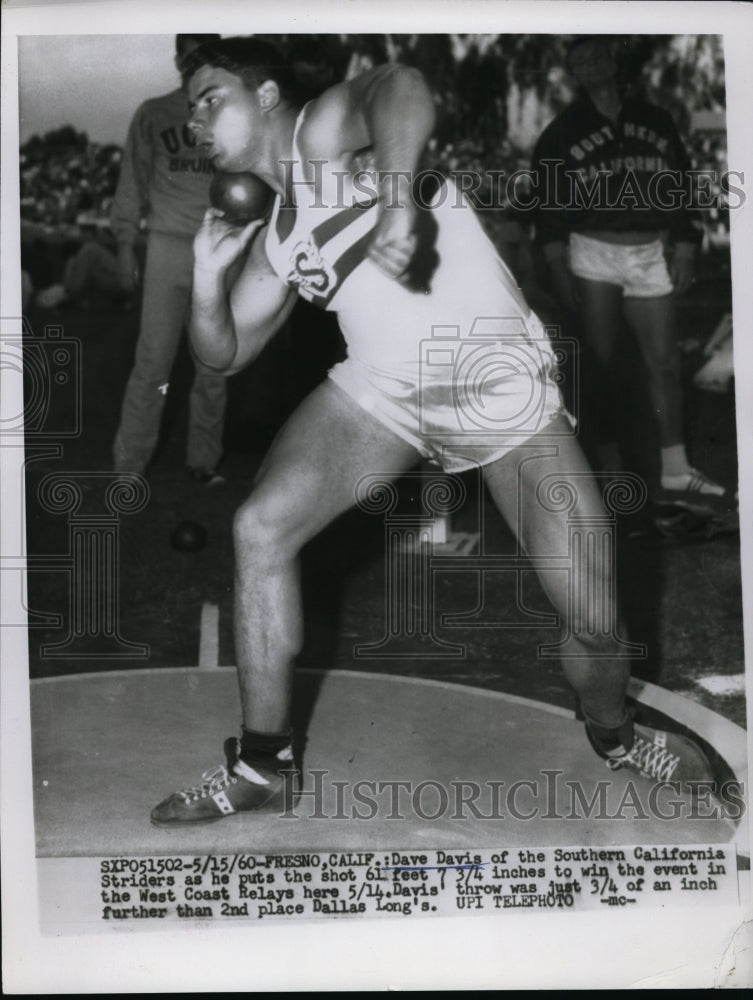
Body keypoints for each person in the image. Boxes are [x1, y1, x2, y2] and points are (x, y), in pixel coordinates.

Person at [151, 37, 714, 826]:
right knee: (259, 527)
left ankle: (614, 732)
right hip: (383, 393)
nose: (196, 119)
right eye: (190, 110)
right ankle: (261, 762)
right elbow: (225, 355)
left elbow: (401, 84)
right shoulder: (279, 234)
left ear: (268, 95)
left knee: (591, 610)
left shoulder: (320, 136)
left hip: (499, 393)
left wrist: (396, 193)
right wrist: (207, 282)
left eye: (211, 97)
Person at [531, 35, 732, 513]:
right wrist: (558, 266)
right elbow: (549, 209)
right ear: (572, 73)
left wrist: (686, 244)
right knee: (601, 366)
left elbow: (681, 186)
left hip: (647, 252)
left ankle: (676, 467)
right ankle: (605, 474)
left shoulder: (655, 120)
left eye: (596, 54)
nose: (590, 64)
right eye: (579, 60)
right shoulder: (561, 132)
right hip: (592, 252)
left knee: (663, 363)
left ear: (613, 60)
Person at [111, 33, 227, 483]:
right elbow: (131, 184)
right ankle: (129, 464)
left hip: (218, 246)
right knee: (153, 362)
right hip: (166, 245)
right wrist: (124, 245)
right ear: (177, 58)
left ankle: (204, 461)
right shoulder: (154, 112)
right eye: (189, 52)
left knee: (213, 363)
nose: (196, 61)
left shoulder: (231, 114)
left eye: (205, 53)